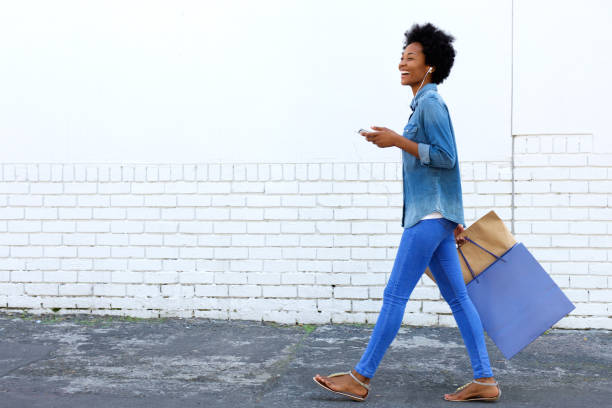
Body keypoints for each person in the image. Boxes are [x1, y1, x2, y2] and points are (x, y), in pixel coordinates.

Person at [313, 22, 501, 402]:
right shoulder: (423, 103)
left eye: (410, 57)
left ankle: (360, 377)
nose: (402, 62)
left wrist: (398, 141)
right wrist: (453, 213)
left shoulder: (431, 103)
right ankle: (485, 380)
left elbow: (447, 158)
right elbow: (440, 166)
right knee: (459, 299)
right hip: (437, 214)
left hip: (428, 217)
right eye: (402, 56)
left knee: (395, 294)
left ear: (429, 66)